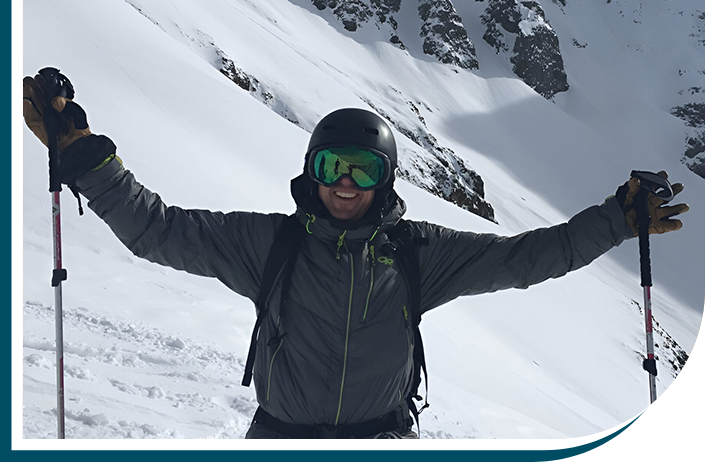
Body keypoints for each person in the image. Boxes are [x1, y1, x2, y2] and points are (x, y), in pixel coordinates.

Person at [22, 70, 689, 440]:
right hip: (281, 437)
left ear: (385, 180)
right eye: (333, 166)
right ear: (311, 171)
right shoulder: (268, 244)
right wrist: (84, 157)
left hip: (382, 440)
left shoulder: (416, 252)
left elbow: (524, 258)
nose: (345, 183)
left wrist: (614, 221)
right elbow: (158, 229)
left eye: (363, 170)